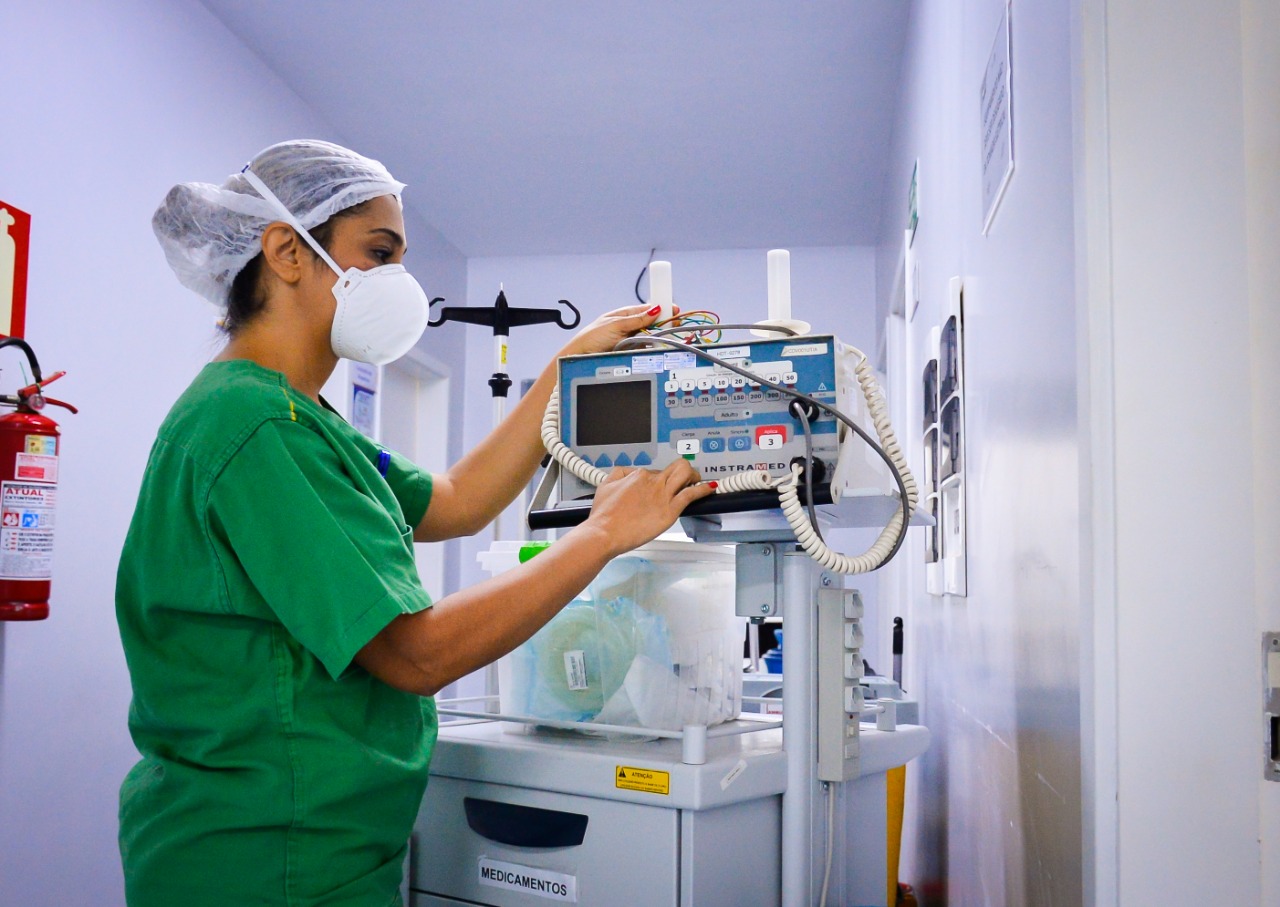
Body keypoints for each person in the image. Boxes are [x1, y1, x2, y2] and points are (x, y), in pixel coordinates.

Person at [116, 139, 712, 907]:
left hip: (316, 850)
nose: (398, 279)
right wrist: (601, 535)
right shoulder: (256, 428)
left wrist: (567, 367)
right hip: (263, 860)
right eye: (379, 251)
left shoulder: (303, 421)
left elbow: (460, 498)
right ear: (287, 252)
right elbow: (416, 652)